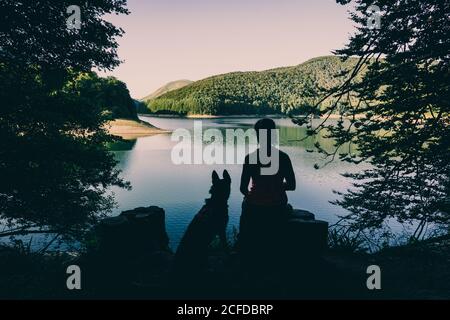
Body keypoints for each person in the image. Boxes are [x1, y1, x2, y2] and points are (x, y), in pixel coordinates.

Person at [237, 118, 296, 261]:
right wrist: (276, 187)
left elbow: (242, 188)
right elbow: (292, 185)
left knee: (245, 204)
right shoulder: (283, 157)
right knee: (288, 209)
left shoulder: (250, 158)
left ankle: (241, 247)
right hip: (277, 206)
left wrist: (254, 195)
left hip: (254, 207)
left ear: (257, 135)